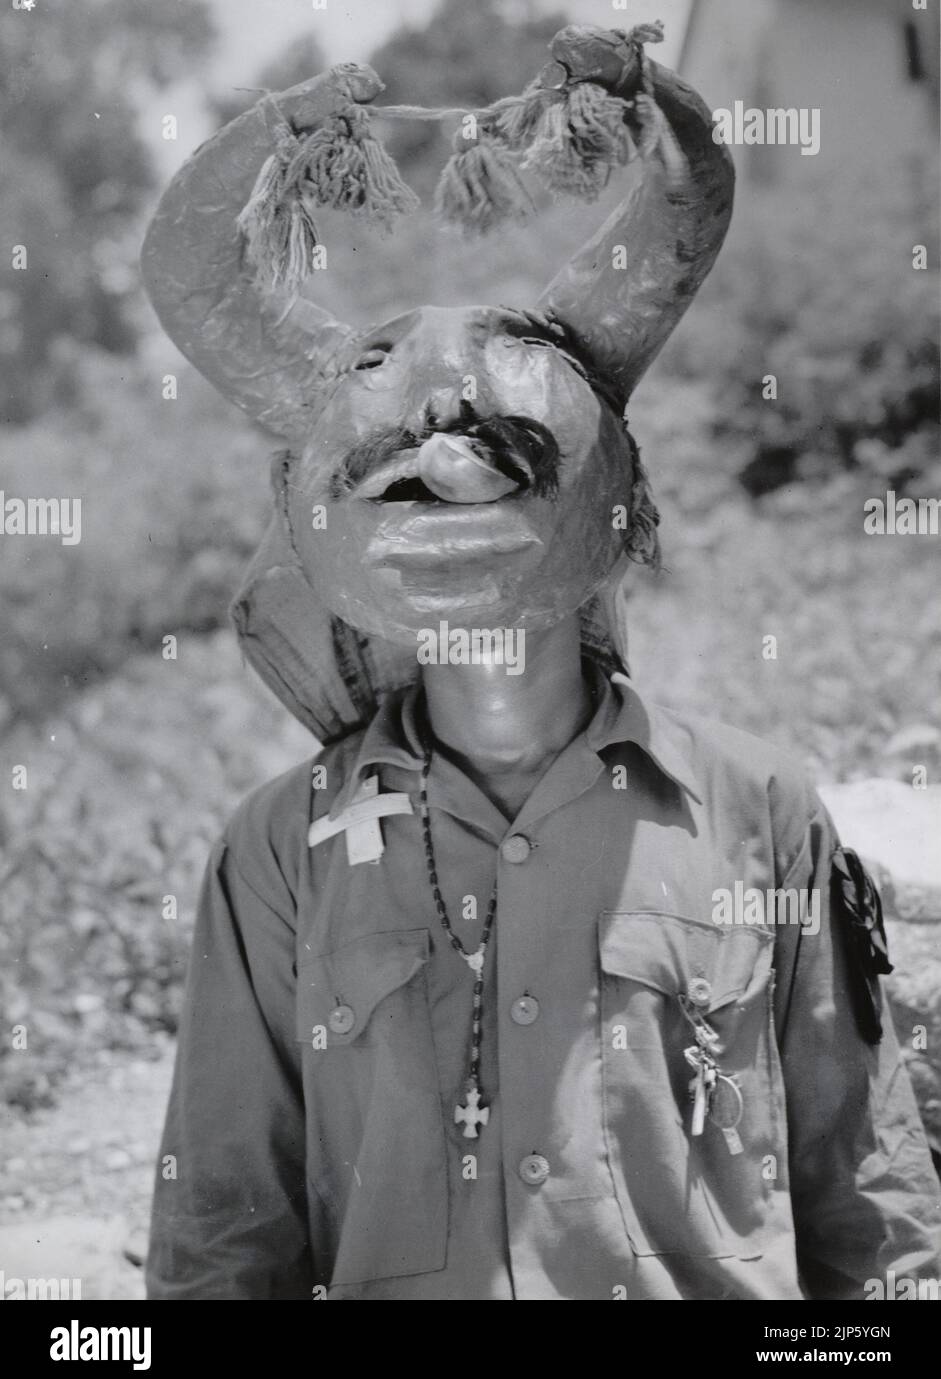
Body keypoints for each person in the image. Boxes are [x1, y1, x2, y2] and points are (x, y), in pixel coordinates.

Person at [140, 23, 941, 1300]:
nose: (447, 431)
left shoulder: (760, 813)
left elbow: (870, 1202)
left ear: (618, 495)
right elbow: (223, 1239)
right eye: (395, 445)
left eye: (507, 417)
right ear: (314, 528)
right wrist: (277, 129)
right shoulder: (275, 853)